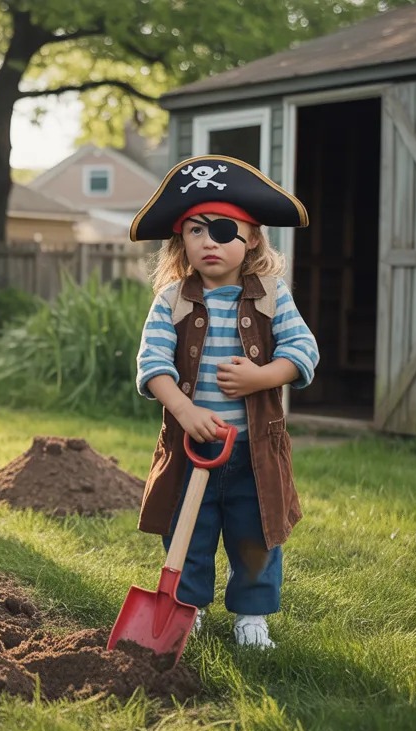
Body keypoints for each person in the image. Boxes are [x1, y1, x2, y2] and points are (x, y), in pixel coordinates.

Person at [131, 155, 320, 649]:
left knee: (255, 534)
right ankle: (186, 608)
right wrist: (186, 411)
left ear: (252, 237)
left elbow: (303, 352)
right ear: (181, 241)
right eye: (196, 230)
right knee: (187, 534)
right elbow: (152, 365)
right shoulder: (172, 300)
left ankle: (252, 617)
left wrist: (261, 377)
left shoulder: (272, 296)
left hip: (253, 452)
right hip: (190, 449)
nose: (208, 241)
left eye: (222, 229)